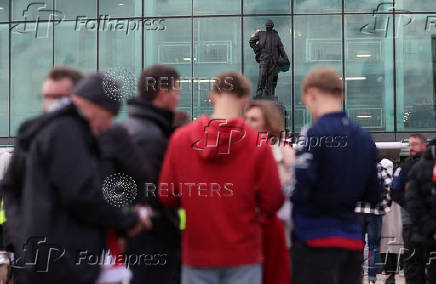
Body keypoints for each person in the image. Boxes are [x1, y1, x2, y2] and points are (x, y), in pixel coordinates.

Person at [9, 72, 151, 284]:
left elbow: (11, 189)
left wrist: (21, 237)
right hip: (66, 262)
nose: (109, 125)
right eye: (109, 115)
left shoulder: (42, 130)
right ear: (90, 105)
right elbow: (81, 194)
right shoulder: (69, 131)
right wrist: (129, 219)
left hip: (41, 258)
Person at [158, 71, 284, 284]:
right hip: (243, 253)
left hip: (197, 251)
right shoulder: (258, 144)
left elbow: (167, 195)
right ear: (245, 100)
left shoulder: (181, 139)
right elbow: (272, 201)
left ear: (212, 96)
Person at [291, 66, 381, 284]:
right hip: (351, 241)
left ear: (311, 94)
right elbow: (375, 195)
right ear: (341, 94)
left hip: (314, 240)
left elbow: (300, 191)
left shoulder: (313, 133)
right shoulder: (364, 137)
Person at [1, 67, 84, 263]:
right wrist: (18, 236)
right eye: (47, 96)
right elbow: (11, 189)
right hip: (35, 251)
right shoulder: (28, 133)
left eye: (59, 97)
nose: (51, 103)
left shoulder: (92, 135)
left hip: (78, 253)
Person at [123, 65, 182, 284]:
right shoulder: (150, 135)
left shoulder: (136, 127)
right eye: (176, 92)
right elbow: (153, 196)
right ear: (162, 93)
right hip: (152, 240)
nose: (178, 99)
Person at [244, 99, 293, 284]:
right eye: (246, 118)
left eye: (254, 119)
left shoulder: (285, 153)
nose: (247, 123)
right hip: (247, 232)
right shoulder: (240, 151)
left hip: (277, 230)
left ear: (268, 122)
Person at [391, 133, 427, 283]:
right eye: (409, 144)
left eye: (415, 144)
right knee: (412, 260)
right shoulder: (404, 167)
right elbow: (394, 191)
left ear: (424, 145)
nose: (411, 147)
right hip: (411, 222)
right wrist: (410, 204)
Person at [405, 138, 436, 283]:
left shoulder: (416, 167)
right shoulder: (415, 167)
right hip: (422, 230)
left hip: (420, 230)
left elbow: (412, 201)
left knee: (417, 266)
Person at [249, 20, 289, 97]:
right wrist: (256, 49)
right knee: (262, 74)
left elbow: (281, 48)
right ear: (266, 26)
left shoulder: (276, 36)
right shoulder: (260, 34)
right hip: (264, 58)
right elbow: (251, 41)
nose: (269, 26)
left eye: (270, 25)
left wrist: (285, 58)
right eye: (268, 25)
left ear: (272, 26)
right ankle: (259, 91)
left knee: (270, 77)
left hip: (273, 59)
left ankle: (268, 92)